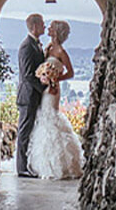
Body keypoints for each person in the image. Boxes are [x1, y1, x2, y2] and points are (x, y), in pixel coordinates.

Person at [26, 19, 83, 180]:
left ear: (56, 32)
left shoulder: (60, 51)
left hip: (52, 91)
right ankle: (45, 162)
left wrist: (55, 80)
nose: (48, 28)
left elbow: (71, 73)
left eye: (51, 27)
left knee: (51, 117)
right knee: (45, 118)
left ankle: (61, 164)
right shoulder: (49, 47)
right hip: (45, 89)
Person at [16, 13, 47, 177]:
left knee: (30, 131)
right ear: (35, 26)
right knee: (24, 132)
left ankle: (28, 165)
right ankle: (21, 169)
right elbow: (28, 75)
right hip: (27, 96)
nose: (45, 26)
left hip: (33, 96)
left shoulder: (36, 44)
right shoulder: (26, 46)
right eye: (42, 24)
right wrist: (44, 87)